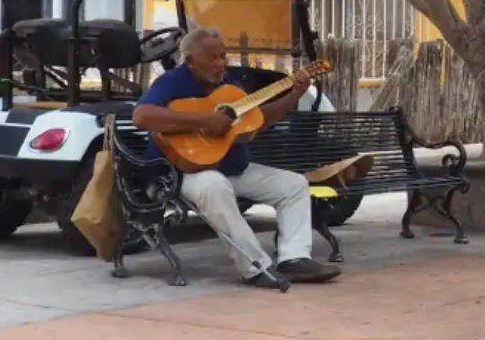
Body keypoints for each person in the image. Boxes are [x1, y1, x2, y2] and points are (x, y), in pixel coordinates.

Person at [132, 27, 342, 288]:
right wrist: (205, 120)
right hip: (183, 172)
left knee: (293, 185)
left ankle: (294, 258)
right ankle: (256, 267)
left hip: (232, 167)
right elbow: (141, 117)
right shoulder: (172, 82)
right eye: (212, 58)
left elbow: (258, 120)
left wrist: (294, 95)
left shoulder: (230, 84)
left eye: (223, 56)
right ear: (190, 61)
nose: (220, 64)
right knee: (215, 187)